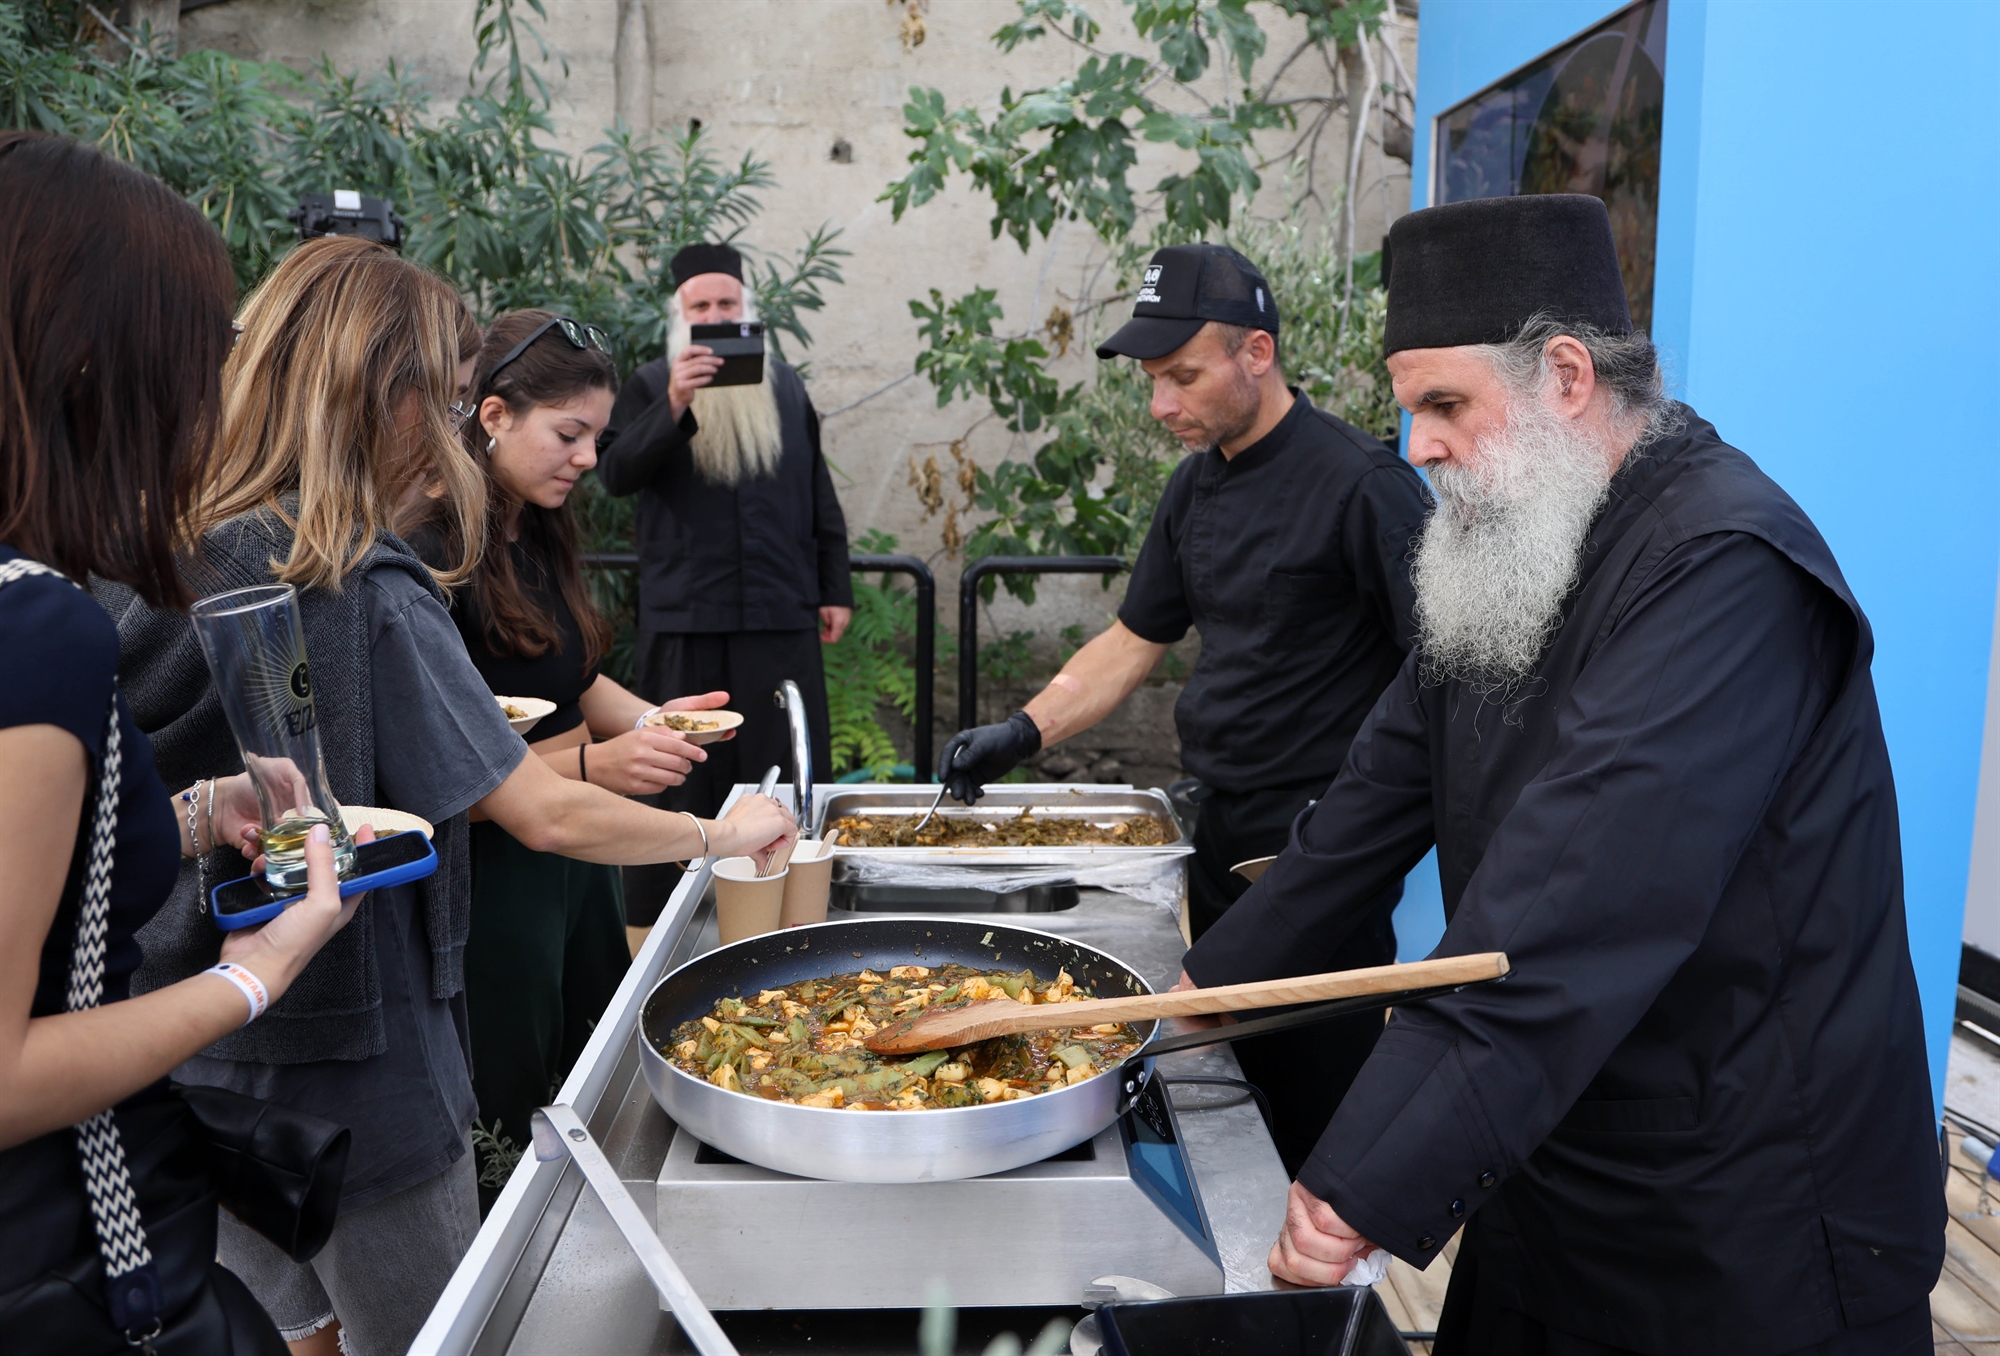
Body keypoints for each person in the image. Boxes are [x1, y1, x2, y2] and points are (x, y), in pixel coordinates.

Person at [1178, 195, 1944, 1354]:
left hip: (1741, 1217)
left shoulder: (1723, 567)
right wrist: (1181, 1010)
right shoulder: (1513, 538)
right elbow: (1360, 814)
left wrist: (1356, 1185)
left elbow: (1568, 903)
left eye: (1442, 406)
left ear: (1568, 377)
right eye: (1407, 410)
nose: (1415, 446)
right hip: (1556, 1169)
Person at [103, 238, 795, 1356]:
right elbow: (541, 809)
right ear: (394, 400)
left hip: (193, 1031)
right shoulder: (363, 581)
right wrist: (721, 829)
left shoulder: (160, 554)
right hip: (358, 1050)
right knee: (439, 1330)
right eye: (445, 391)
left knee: (276, 1329)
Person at [937, 243, 1432, 1174]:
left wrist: (1378, 830)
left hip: (1322, 842)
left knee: (1318, 1090)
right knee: (1237, 1081)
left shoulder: (1366, 487)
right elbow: (1132, 640)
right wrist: (1024, 731)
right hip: (1219, 821)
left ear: (1257, 352)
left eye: (1182, 377)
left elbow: (1445, 678)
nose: (1163, 405)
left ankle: (1332, 1286)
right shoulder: (1196, 481)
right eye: (1153, 382)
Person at [0, 132, 367, 1355]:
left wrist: (201, 811)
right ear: (103, 362)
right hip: (76, 1261)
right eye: (206, 348)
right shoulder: (34, 628)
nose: (217, 393)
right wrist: (255, 973)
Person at [409, 308, 734, 1197]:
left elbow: (575, 681)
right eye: (570, 434)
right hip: (493, 873)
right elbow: (442, 781)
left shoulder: (536, 526)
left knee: (590, 1063)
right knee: (507, 1103)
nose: (589, 459)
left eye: (596, 437)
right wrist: (594, 769)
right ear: (493, 415)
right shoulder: (428, 558)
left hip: (575, 855)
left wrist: (651, 724)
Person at [597, 241, 854, 926]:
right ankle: (659, 923)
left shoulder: (786, 385)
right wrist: (679, 401)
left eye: (727, 303)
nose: (716, 314)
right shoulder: (653, 384)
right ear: (681, 317)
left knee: (789, 767)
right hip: (687, 616)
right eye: (702, 306)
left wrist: (835, 587)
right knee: (680, 772)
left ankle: (790, 908)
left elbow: (816, 491)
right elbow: (615, 473)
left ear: (748, 309)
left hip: (780, 612)